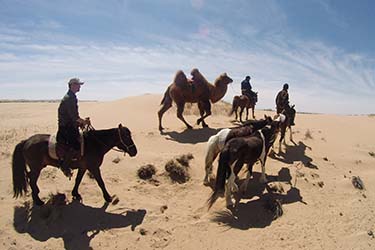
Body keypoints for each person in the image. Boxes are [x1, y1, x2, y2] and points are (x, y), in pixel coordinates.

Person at [57, 78, 90, 177]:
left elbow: (74, 117)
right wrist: (84, 121)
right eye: (78, 85)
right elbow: (74, 117)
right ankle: (65, 166)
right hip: (67, 128)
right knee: (75, 145)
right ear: (72, 85)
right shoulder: (69, 98)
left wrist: (81, 122)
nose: (80, 86)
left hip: (70, 125)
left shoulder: (72, 97)